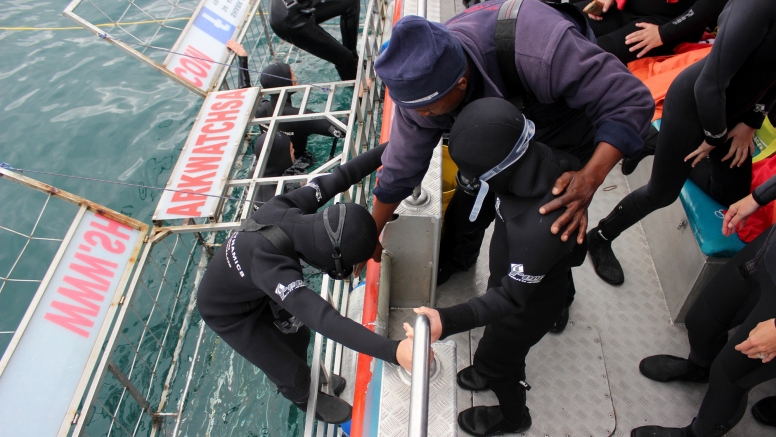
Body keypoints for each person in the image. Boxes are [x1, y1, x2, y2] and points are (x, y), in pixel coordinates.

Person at [370, 1, 654, 332]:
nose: (421, 117)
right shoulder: (419, 89)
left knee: (554, 222)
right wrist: (373, 230)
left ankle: (559, 292)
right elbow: (401, 167)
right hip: (493, 130)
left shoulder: (541, 49)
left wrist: (590, 178)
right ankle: (459, 258)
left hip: (560, 121)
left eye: (429, 110)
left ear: (460, 82)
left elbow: (631, 100)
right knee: (469, 205)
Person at [405, 99, 586, 436]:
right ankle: (492, 369)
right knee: (496, 341)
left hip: (524, 310)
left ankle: (514, 416)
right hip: (514, 273)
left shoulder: (542, 227)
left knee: (499, 361)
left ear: (496, 171)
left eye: (473, 177)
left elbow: (511, 299)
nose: (470, 182)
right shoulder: (545, 159)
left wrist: (447, 319)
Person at [196, 143, 413, 424]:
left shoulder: (287, 205)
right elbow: (324, 319)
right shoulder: (273, 266)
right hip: (226, 312)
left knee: (298, 336)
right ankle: (303, 396)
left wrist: (399, 143)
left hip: (252, 282)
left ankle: (312, 379)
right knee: (289, 371)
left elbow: (343, 175)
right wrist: (393, 351)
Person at [586, 0, 776, 286]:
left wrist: (751, 122)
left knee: (731, 196)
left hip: (734, 117)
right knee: (662, 193)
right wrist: (714, 137)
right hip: (695, 105)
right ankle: (600, 237)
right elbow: (709, 84)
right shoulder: (757, 7)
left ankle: (658, 143)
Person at [630, 173, 776, 437]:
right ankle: (699, 368)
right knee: (701, 320)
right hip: (767, 254)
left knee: (729, 375)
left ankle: (697, 434)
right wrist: (757, 198)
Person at [227, 40, 347, 169]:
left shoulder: (260, 108)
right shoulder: (301, 116)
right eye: (292, 75)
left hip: (266, 164)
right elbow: (342, 130)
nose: (295, 78)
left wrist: (242, 58)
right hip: (296, 166)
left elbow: (245, 91)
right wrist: (360, 98)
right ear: (285, 83)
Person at [573, 0, 727, 64]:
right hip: (624, 8)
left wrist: (664, 33)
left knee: (587, 54)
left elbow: (712, 4)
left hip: (663, 25)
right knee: (564, 20)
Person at [268, 0, 360, 80]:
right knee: (344, 58)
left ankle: (354, 59)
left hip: (302, 4)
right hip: (289, 20)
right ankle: (357, 88)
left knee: (351, 2)